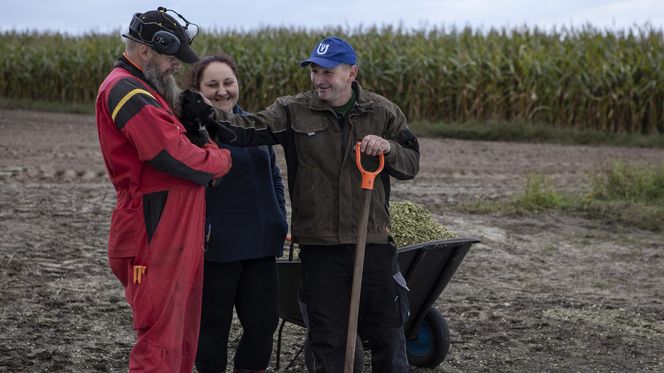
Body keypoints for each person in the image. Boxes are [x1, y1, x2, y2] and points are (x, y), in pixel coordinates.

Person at [183, 36, 419, 372]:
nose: (319, 79)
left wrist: (389, 149)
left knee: (388, 333)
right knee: (327, 337)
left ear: (351, 73)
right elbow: (248, 129)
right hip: (320, 246)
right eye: (314, 71)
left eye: (328, 72)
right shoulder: (293, 110)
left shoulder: (383, 112)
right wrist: (208, 116)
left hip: (373, 241)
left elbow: (411, 163)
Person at [95, 7, 232, 372]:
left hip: (174, 226)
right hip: (152, 227)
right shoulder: (125, 89)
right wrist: (218, 156)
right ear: (146, 51)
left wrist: (193, 127)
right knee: (159, 338)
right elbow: (171, 156)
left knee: (181, 333)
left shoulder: (144, 88)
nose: (175, 66)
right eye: (171, 58)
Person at [188, 54, 288, 373]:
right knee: (213, 329)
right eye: (212, 85)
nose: (222, 91)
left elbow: (273, 175)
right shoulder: (192, 133)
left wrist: (278, 217)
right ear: (198, 90)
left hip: (261, 246)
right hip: (216, 248)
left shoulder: (254, 126)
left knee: (263, 326)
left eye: (228, 82)